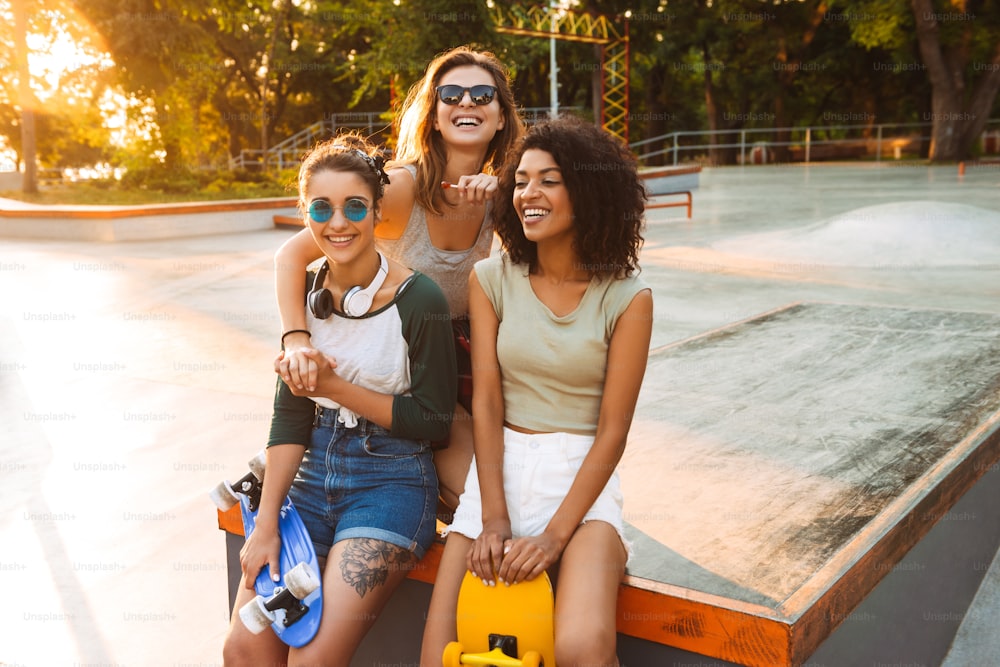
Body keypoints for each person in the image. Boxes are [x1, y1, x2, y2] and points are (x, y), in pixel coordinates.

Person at [420, 117, 654, 667]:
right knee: (437, 652)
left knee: (581, 647)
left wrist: (553, 537)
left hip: (581, 475)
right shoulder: (491, 278)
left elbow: (613, 431)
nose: (529, 193)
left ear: (588, 192)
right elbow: (489, 402)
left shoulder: (628, 297)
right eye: (521, 180)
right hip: (497, 470)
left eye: (549, 180)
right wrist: (495, 517)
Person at [223, 135, 457, 666]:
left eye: (354, 206)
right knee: (243, 647)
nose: (338, 223)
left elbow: (434, 420)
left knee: (314, 660)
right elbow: (289, 422)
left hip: (391, 481)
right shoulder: (303, 299)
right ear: (305, 213)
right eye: (321, 208)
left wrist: (332, 388)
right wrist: (263, 528)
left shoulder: (418, 299)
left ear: (378, 211)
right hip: (310, 476)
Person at [274, 46, 525, 514]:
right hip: (391, 353)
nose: (466, 102)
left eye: (482, 94)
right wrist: (294, 339)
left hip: (453, 358)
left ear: (501, 117)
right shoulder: (400, 187)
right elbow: (293, 254)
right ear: (433, 115)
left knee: (500, 490)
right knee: (472, 494)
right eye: (451, 94)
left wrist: (508, 198)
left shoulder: (504, 192)